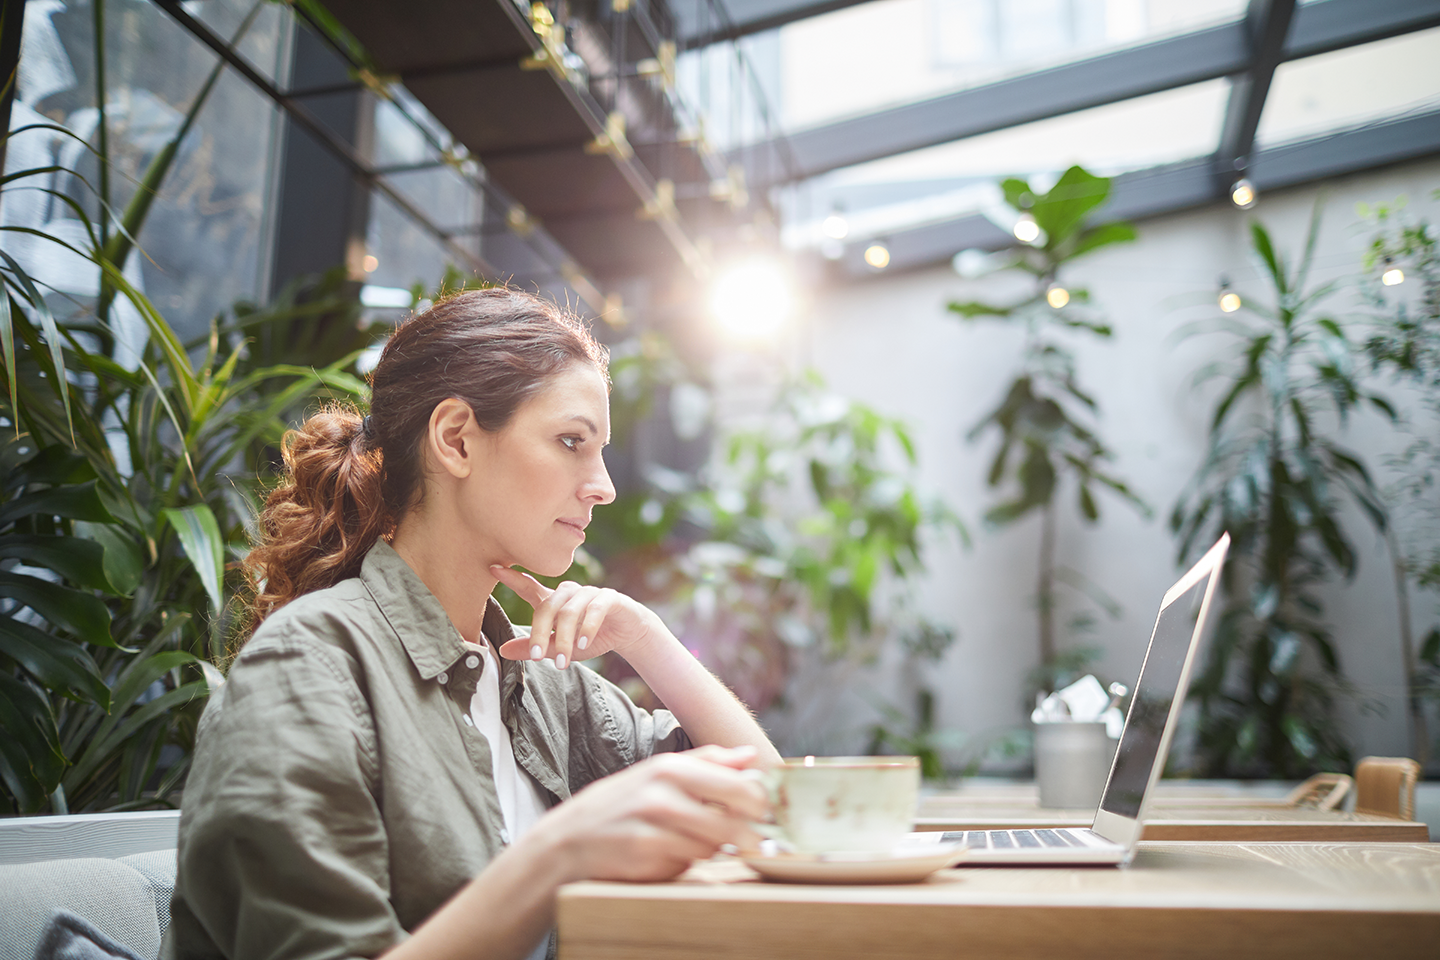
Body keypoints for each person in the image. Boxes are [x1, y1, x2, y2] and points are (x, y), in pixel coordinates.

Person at [162, 288, 780, 960]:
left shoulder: (538, 682)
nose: (602, 484)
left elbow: (770, 804)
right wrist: (556, 856)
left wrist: (645, 639)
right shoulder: (307, 669)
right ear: (456, 439)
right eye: (572, 441)